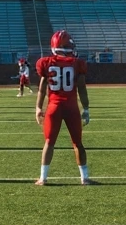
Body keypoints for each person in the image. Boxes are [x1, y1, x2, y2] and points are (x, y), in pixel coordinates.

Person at [34, 29, 93, 185]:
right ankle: (84, 178)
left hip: (54, 107)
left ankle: (43, 178)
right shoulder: (77, 64)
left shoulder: (46, 63)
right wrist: (86, 108)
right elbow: (82, 88)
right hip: (71, 107)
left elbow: (41, 88)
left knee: (49, 142)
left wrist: (38, 108)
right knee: (78, 143)